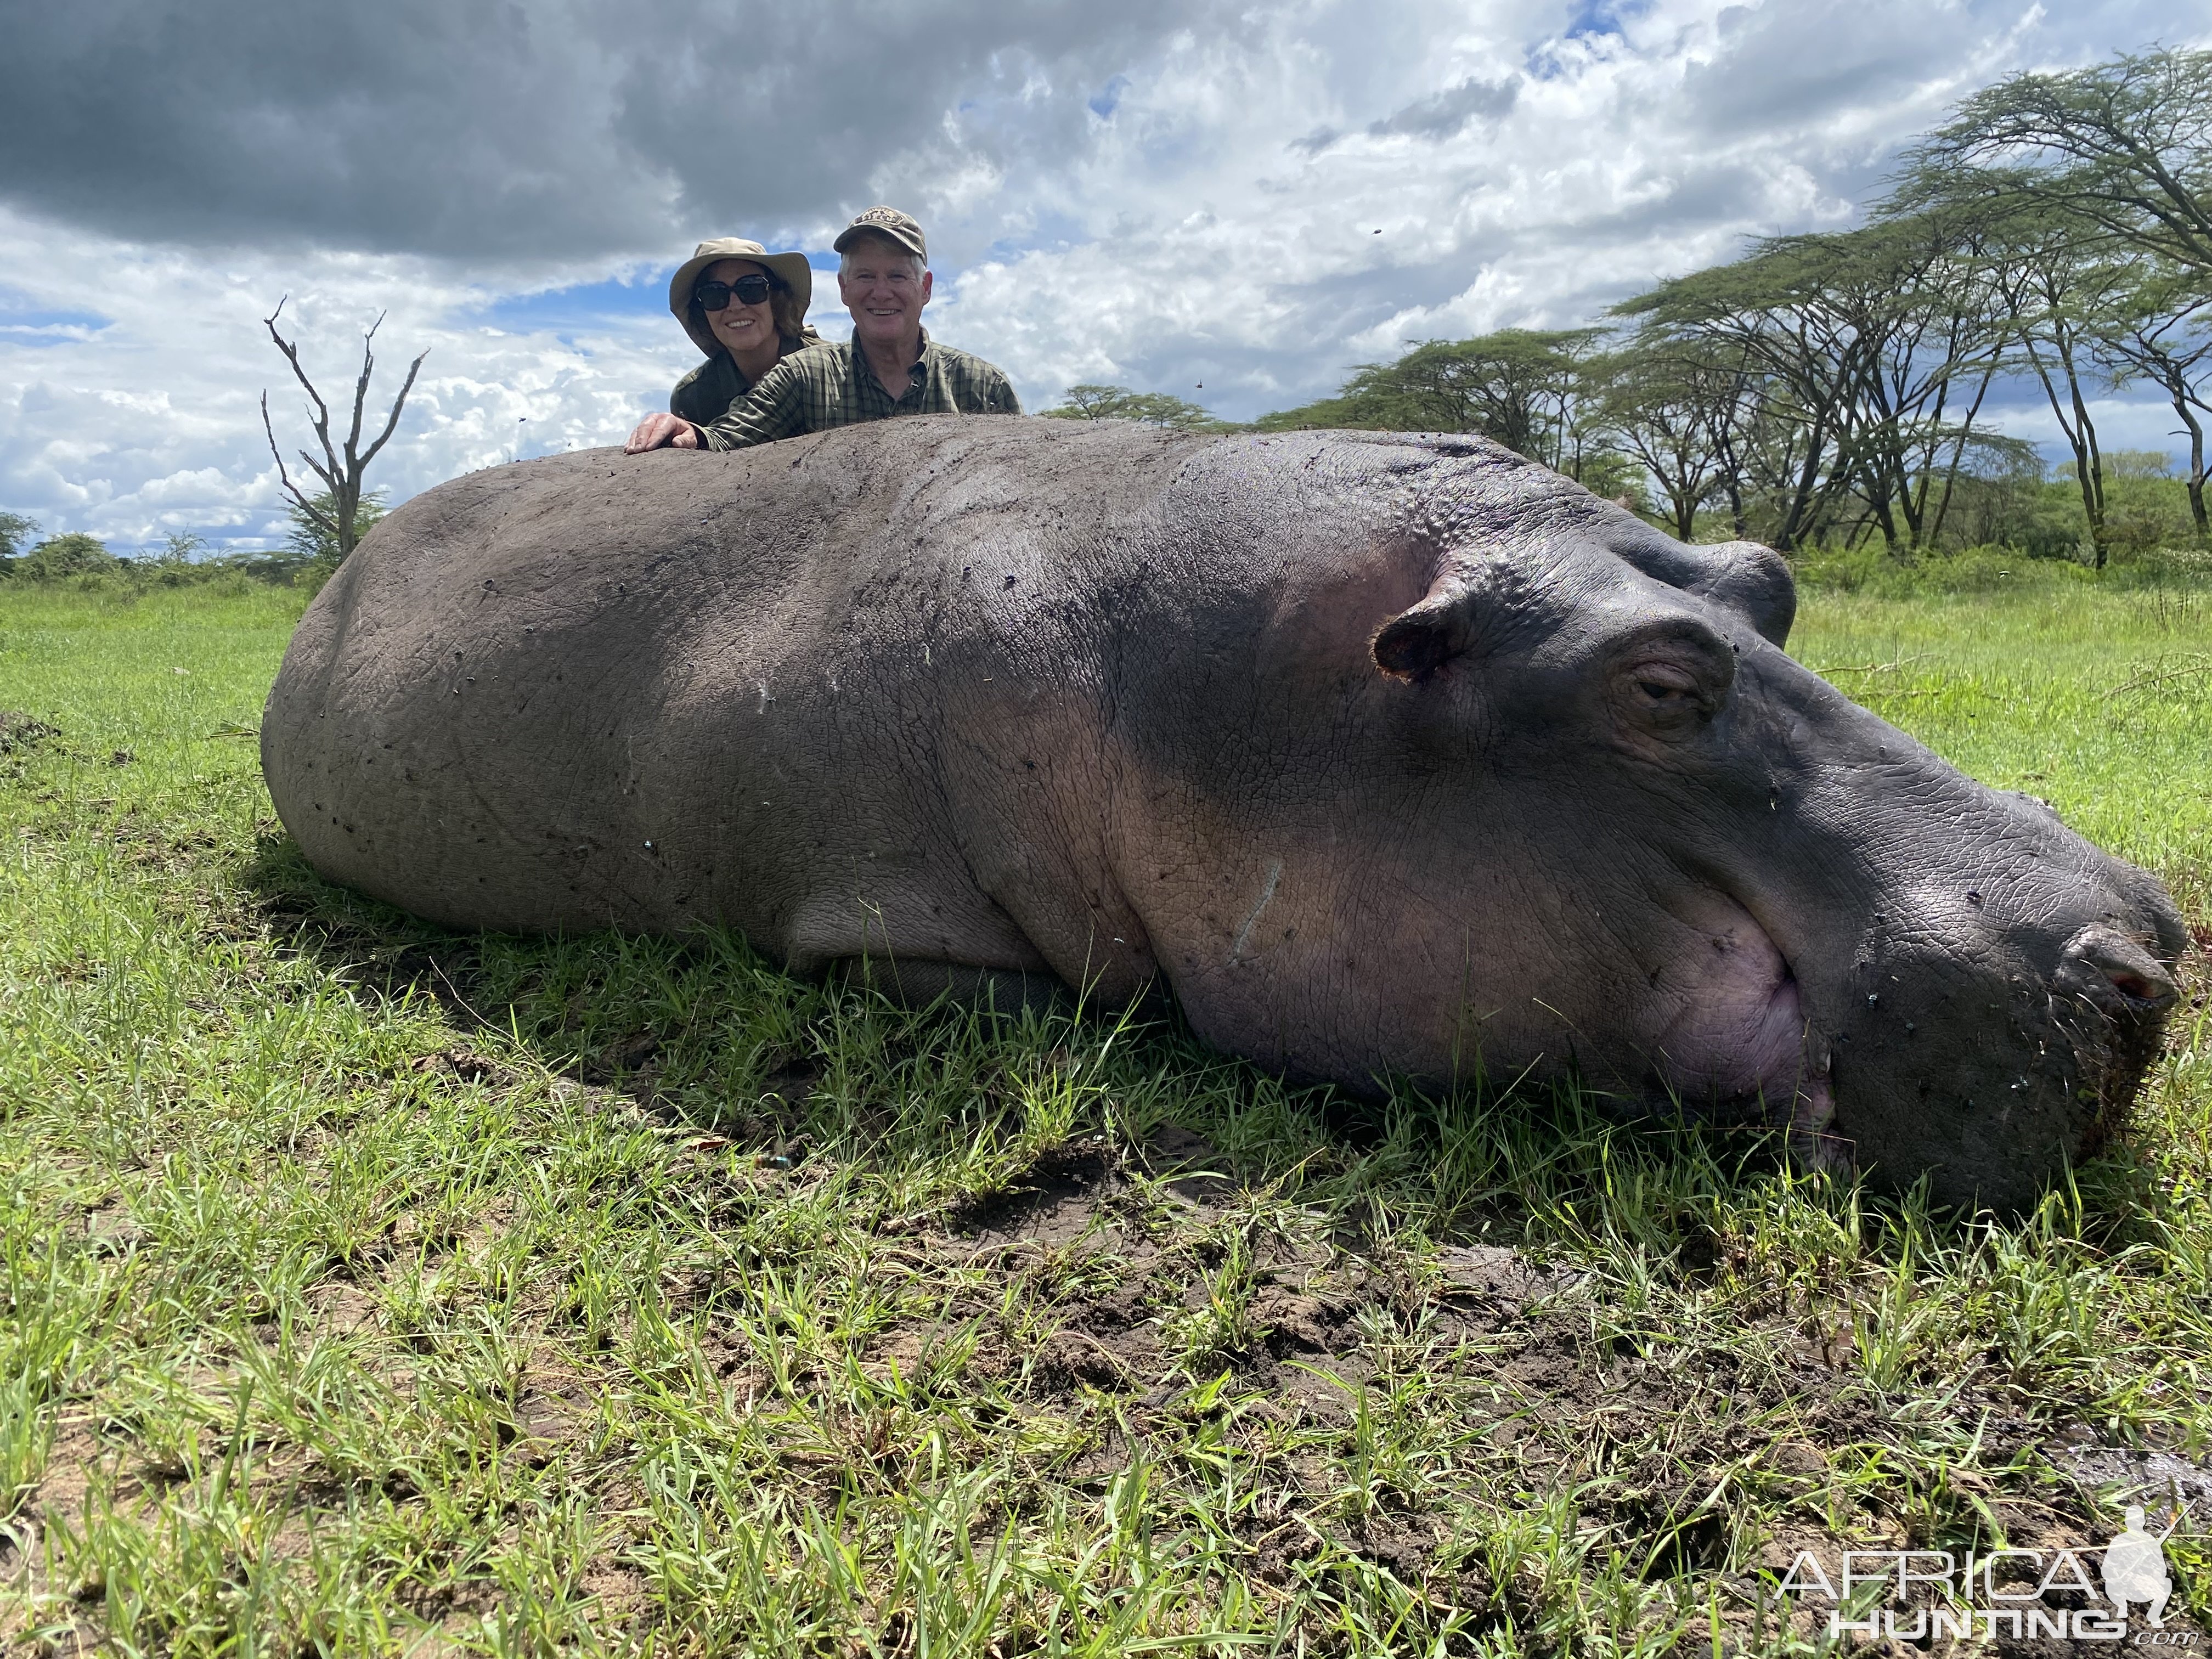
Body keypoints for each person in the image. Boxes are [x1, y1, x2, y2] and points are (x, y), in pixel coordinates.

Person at [624, 207, 1019, 454]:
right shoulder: (804, 375)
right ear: (844, 289)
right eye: (864, 275)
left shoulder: (983, 386)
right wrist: (690, 433)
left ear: (926, 288)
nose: (881, 292)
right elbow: (730, 437)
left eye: (897, 275)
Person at [624, 238, 821, 454]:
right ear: (702, 313)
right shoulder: (695, 396)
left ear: (775, 298)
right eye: (714, 295)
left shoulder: (833, 370)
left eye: (751, 289)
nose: (735, 306)